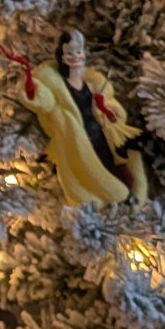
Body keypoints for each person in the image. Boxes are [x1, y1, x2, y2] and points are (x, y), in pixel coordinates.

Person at [15, 30, 149, 206]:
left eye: (78, 52)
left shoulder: (91, 83)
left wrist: (105, 109)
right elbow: (44, 101)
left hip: (99, 133)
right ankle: (120, 197)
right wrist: (31, 84)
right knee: (91, 169)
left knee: (108, 163)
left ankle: (124, 195)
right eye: (70, 53)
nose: (75, 57)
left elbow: (107, 108)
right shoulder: (59, 89)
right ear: (62, 56)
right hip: (79, 138)